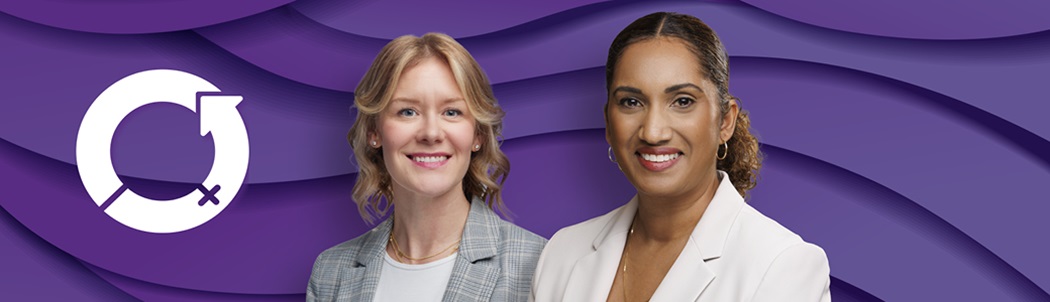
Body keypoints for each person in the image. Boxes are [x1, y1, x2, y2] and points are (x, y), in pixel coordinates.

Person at [531, 12, 831, 301]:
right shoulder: (562, 253)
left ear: (725, 121)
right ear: (609, 124)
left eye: (682, 101)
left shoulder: (783, 265)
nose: (653, 131)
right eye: (631, 102)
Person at [308, 33, 546, 302]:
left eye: (452, 112)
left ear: (477, 135)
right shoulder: (331, 273)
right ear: (375, 131)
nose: (431, 133)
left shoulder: (540, 263)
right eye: (408, 111)